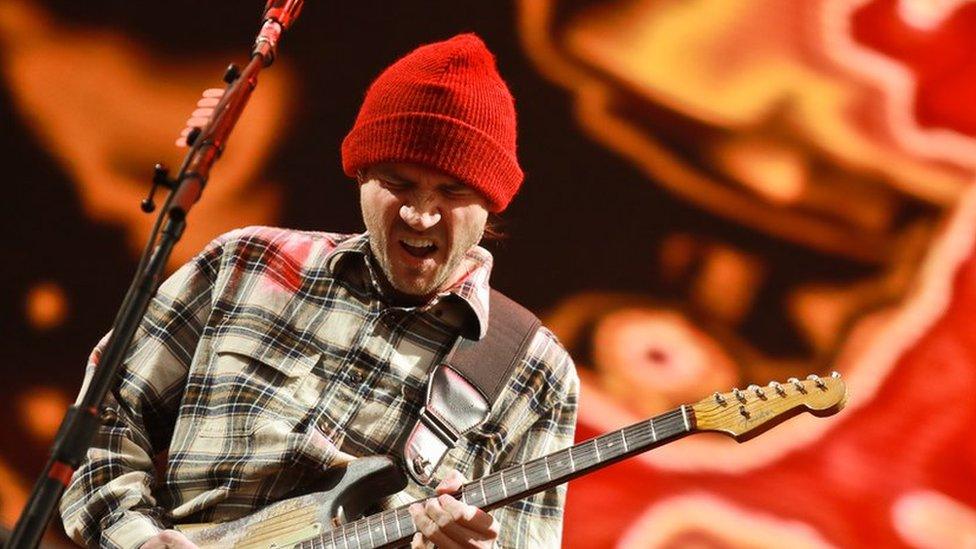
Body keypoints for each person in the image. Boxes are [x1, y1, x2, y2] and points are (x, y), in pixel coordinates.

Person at [59, 33, 579, 548]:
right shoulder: (246, 263)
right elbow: (105, 415)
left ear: (491, 202)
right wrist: (137, 538)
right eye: (397, 182)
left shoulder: (536, 373)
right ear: (361, 174)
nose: (420, 214)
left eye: (452, 192)